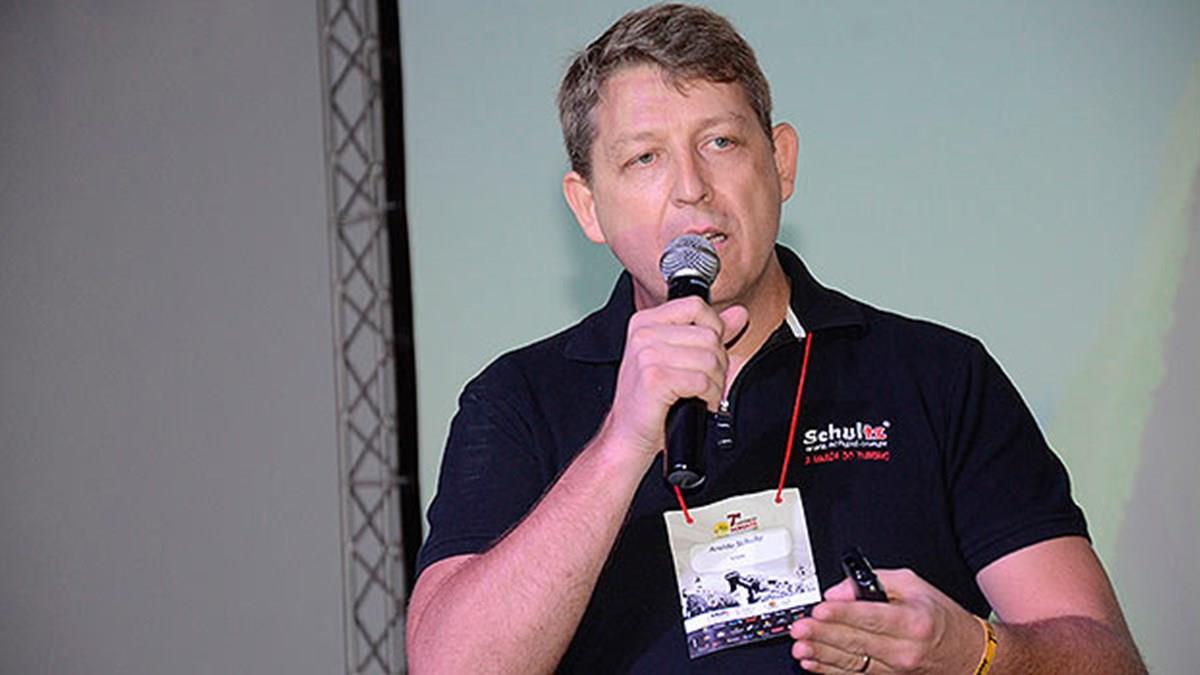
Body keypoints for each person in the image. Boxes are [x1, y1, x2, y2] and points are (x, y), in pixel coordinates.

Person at [406, 4, 1145, 673]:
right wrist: (622, 442)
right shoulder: (518, 399)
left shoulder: (938, 376)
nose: (691, 186)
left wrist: (974, 652)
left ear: (780, 161)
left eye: (720, 141)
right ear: (588, 206)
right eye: (644, 158)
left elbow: (1109, 659)